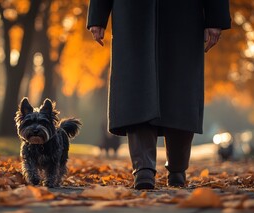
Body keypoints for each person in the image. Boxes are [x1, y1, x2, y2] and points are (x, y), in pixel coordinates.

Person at [87, 0, 231, 189]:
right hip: (133, 13)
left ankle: (178, 169)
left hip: (183, 14)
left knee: (180, 92)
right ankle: (143, 169)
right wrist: (98, 14)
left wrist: (215, 17)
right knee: (136, 88)